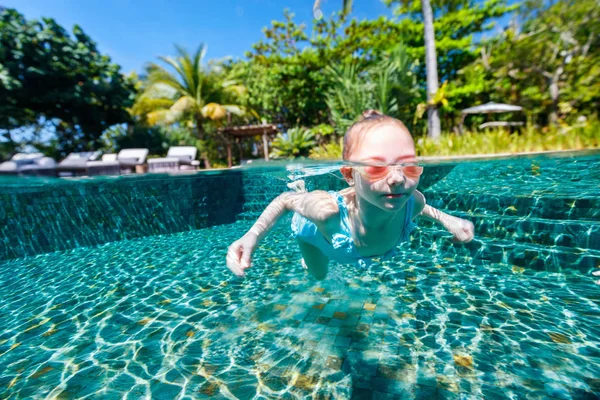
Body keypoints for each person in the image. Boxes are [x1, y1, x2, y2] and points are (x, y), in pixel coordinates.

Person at [226, 110, 475, 279]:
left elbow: (421, 205)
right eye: (376, 167)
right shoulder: (326, 213)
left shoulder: (412, 201)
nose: (398, 178)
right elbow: (284, 200)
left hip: (349, 217)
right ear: (348, 174)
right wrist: (253, 236)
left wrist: (448, 220)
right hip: (312, 230)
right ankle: (304, 191)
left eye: (408, 165)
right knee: (318, 276)